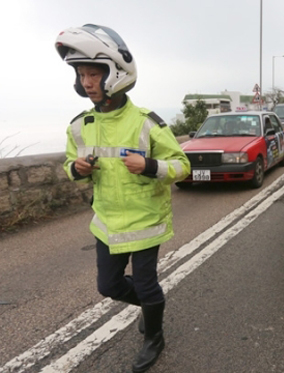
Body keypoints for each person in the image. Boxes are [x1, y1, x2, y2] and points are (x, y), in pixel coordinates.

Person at [55, 24, 190, 373]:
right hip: (107, 223)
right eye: (81, 74)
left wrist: (149, 165)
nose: (86, 82)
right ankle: (150, 306)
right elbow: (68, 166)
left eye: (93, 73)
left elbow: (183, 165)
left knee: (146, 284)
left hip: (146, 221)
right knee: (109, 286)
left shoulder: (147, 122)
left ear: (115, 73)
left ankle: (154, 337)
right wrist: (78, 169)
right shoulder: (78, 126)